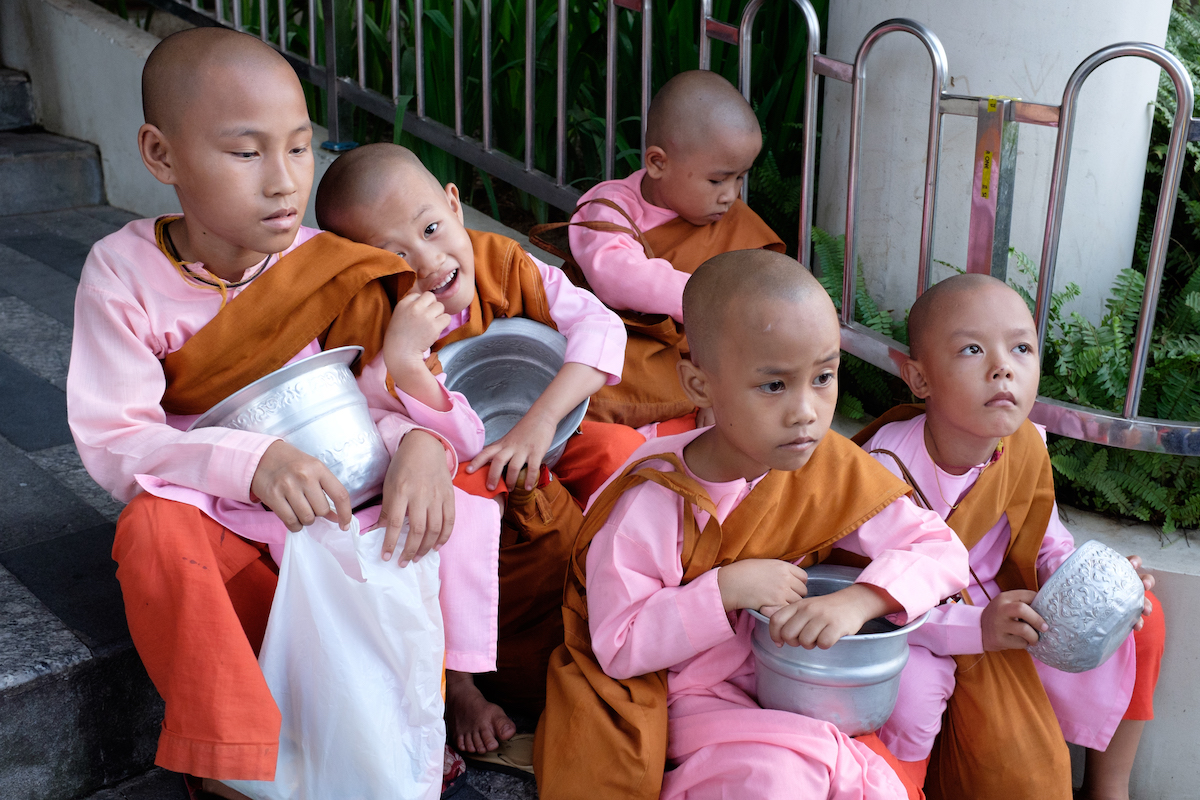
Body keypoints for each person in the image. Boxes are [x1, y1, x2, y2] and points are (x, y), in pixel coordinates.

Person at [66, 29, 500, 799]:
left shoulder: (329, 264)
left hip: (342, 526)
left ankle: (413, 714)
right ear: (161, 156)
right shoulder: (123, 275)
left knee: (446, 494)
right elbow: (116, 437)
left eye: (300, 149)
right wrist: (250, 463)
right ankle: (236, 764)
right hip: (232, 540)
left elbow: (379, 397)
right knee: (153, 533)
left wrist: (420, 446)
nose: (283, 182)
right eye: (246, 153)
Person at [534, 249, 971, 800]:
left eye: (823, 377)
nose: (806, 411)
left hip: (793, 688)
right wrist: (725, 590)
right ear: (699, 386)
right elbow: (618, 645)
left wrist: (859, 600)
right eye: (774, 386)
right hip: (685, 704)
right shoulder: (656, 496)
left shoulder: (824, 465)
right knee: (780, 783)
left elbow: (941, 549)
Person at [315, 143, 643, 758]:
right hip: (446, 455)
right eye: (395, 256)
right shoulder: (375, 313)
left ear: (454, 202)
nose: (429, 263)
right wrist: (407, 358)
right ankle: (459, 683)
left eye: (432, 229)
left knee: (622, 452)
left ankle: (632, 597)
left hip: (538, 427)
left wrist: (541, 423)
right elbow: (388, 413)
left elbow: (602, 328)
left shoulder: (504, 263)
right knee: (460, 519)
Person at [854, 273, 1165, 800]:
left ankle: (1110, 788)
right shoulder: (883, 470)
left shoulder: (1021, 445)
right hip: (917, 623)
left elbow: (1046, 542)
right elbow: (875, 600)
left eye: (1021, 347)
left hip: (1005, 601)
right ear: (919, 378)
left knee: (1143, 623)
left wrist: (1095, 585)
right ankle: (900, 787)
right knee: (912, 691)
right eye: (972, 349)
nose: (1003, 367)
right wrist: (977, 627)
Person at [530, 70, 785, 429]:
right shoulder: (612, 206)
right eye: (717, 179)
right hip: (630, 342)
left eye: (740, 177)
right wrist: (707, 295)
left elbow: (759, 297)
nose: (730, 194)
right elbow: (617, 277)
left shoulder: (728, 218)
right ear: (657, 163)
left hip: (701, 361)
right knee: (585, 384)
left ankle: (716, 399)